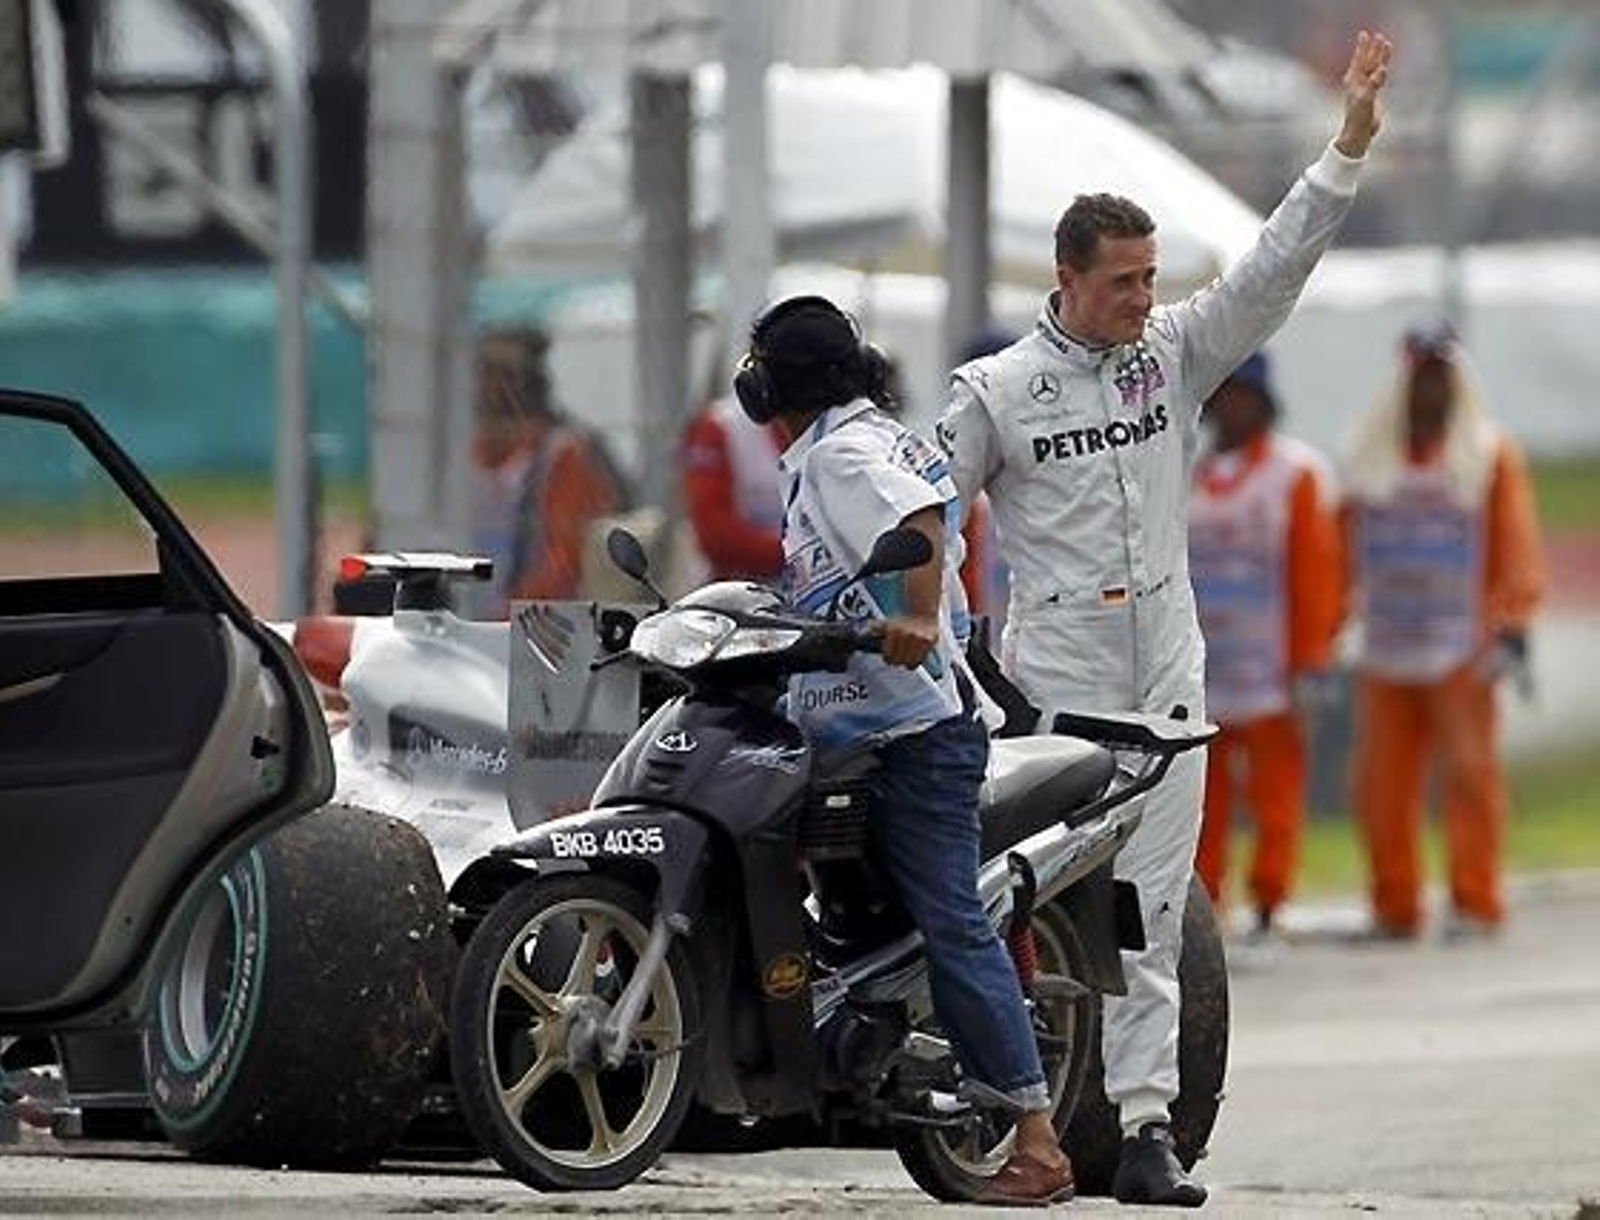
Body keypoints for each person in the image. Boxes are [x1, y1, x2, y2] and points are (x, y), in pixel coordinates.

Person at [936, 30, 1393, 1208]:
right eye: (1124, 281)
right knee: (1017, 904)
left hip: (1166, 685)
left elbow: (1271, 270)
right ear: (1069, 277)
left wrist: (1343, 148)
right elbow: (921, 522)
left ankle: (1146, 1130)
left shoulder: (1171, 360)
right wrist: (944, 646)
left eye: (1150, 277)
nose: (1146, 297)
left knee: (1147, 907)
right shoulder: (996, 389)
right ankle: (992, 1106)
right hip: (1051, 689)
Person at [737, 293, 1074, 1206]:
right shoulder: (852, 436)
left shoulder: (846, 453)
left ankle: (1037, 1141)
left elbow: (926, 525)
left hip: (912, 731)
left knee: (950, 919)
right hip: (855, 720)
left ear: (771, 384)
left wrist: (921, 616)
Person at [1339, 321, 1545, 940]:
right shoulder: (1369, 456)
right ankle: (1396, 904)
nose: (1430, 389)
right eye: (1421, 376)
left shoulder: (1487, 455)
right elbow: (1339, 544)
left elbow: (1515, 543)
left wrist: (1513, 624)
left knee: (1469, 778)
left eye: (1440, 375)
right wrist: (1330, 626)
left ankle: (1476, 901)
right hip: (1385, 649)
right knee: (1381, 786)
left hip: (1461, 649)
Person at [1188, 353, 1341, 943]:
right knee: (1206, 801)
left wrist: (1311, 660)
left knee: (1275, 797)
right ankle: (1205, 910)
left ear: (1262, 401)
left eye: (1239, 394)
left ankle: (1270, 905)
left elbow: (1315, 573)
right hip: (1204, 671)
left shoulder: (1294, 473)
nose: (1228, 406)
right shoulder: (1189, 473)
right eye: (1220, 394)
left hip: (1272, 671)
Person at [470, 326, 627, 612]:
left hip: (539, 627)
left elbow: (567, 559)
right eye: (486, 374)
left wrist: (508, 613)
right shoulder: (464, 452)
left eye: (506, 375)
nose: (491, 388)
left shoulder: (563, 453)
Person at [682, 396, 786, 582]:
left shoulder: (838, 422)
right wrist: (798, 554)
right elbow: (715, 535)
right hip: (734, 590)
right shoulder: (721, 425)